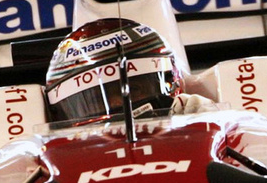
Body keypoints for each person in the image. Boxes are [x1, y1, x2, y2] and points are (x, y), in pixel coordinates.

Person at [44, 17, 190, 124]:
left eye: (132, 89)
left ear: (171, 83)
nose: (116, 104)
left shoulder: (197, 119)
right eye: (97, 100)